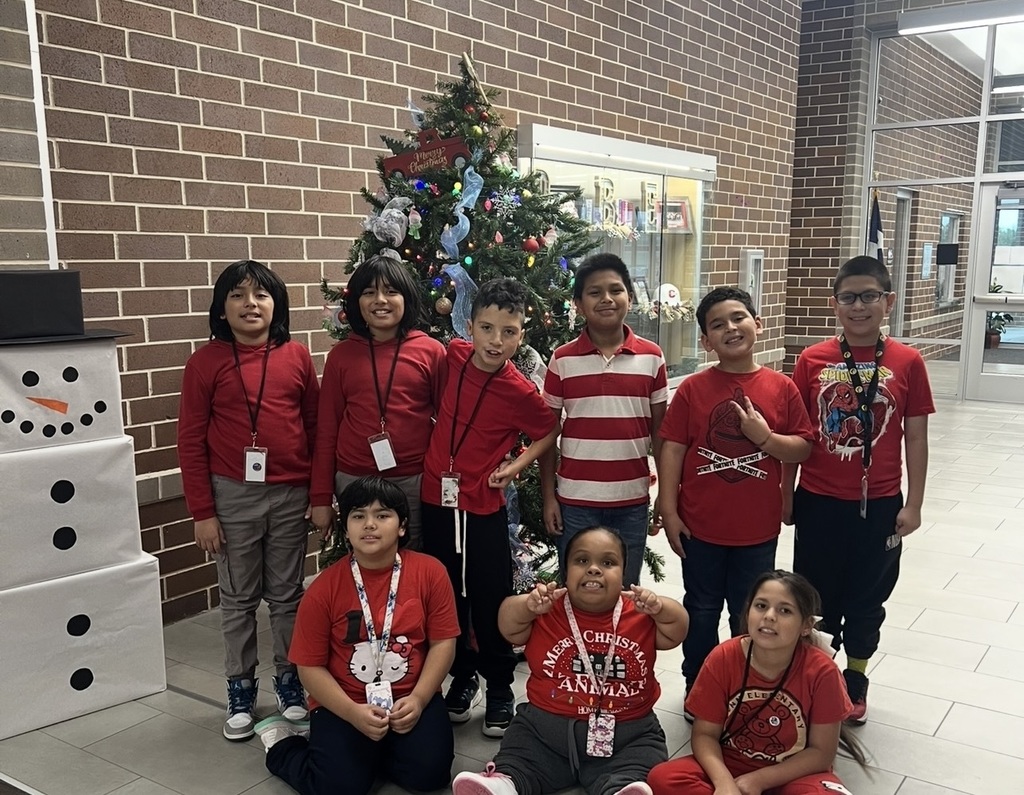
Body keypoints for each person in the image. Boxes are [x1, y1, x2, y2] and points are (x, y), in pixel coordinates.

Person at [785, 255, 934, 724]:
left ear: (888, 302)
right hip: (819, 500)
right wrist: (787, 494)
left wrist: (914, 504)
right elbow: (796, 435)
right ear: (834, 304)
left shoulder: (908, 361)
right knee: (814, 595)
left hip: (882, 504)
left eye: (870, 296)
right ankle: (815, 676)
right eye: (848, 297)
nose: (859, 306)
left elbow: (916, 437)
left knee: (868, 597)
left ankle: (855, 679)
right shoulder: (812, 359)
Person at [177, 259, 320, 740]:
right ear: (222, 309)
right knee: (238, 600)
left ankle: (289, 682)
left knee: (286, 596)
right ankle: (240, 689)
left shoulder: (296, 357)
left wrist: (317, 493)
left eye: (261, 294)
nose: (250, 304)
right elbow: (190, 440)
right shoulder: (205, 363)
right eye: (237, 295)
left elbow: (316, 428)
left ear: (277, 305)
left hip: (290, 494)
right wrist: (203, 512)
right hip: (232, 498)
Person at [657, 286, 815, 707]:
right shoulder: (693, 389)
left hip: (756, 531)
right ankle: (699, 685)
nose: (730, 327)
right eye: (717, 324)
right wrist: (668, 509)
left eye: (739, 317)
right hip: (700, 528)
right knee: (701, 609)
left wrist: (764, 438)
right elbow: (672, 448)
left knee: (750, 615)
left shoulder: (782, 387)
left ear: (757, 324)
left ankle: (745, 686)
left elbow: (802, 447)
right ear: (706, 341)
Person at [254, 476, 460, 795]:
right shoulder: (324, 589)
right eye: (358, 515)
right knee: (339, 788)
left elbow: (443, 643)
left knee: (430, 776)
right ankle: (285, 745)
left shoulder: (431, 573)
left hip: (410, 697)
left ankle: (368, 756)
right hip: (344, 702)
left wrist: (419, 699)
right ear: (346, 529)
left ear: (402, 526)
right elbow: (309, 667)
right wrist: (351, 712)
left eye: (382, 515)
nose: (369, 524)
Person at [421, 277, 560, 738]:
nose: (495, 341)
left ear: (521, 335)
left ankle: (499, 685)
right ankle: (461, 677)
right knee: (448, 594)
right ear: (470, 326)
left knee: (489, 594)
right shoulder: (453, 357)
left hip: (482, 506)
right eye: (486, 328)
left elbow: (548, 430)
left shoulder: (519, 390)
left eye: (508, 332)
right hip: (437, 500)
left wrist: (515, 466)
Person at [453, 526, 689, 795]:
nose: (593, 569)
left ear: (624, 574)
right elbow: (507, 624)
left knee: (642, 758)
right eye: (582, 560)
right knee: (521, 750)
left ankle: (623, 787)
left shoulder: (640, 614)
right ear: (565, 571)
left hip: (627, 734)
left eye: (608, 563)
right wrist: (527, 606)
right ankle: (506, 783)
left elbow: (678, 629)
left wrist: (660, 608)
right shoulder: (546, 608)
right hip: (545, 732)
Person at [648, 570, 863, 795]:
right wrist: (724, 784)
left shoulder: (823, 671)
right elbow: (705, 735)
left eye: (785, 610)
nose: (769, 616)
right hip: (730, 765)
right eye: (761, 606)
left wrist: (759, 780)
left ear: (806, 625)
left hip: (794, 773)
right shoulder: (723, 657)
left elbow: (822, 753)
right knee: (663, 778)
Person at [540, 253, 668, 589]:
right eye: (595, 292)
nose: (607, 299)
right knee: (577, 590)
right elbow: (547, 434)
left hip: (631, 501)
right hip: (575, 502)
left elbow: (661, 434)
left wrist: (666, 494)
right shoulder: (562, 359)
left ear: (630, 296)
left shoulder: (652, 357)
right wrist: (550, 497)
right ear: (579, 305)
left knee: (625, 591)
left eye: (616, 290)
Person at [310, 254, 445, 549]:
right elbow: (327, 430)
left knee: (413, 559)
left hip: (414, 479)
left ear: (406, 298)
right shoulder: (341, 356)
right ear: (356, 302)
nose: (380, 300)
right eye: (369, 292)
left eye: (391, 291)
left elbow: (449, 422)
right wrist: (320, 497)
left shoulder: (431, 352)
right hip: (353, 477)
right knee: (364, 559)